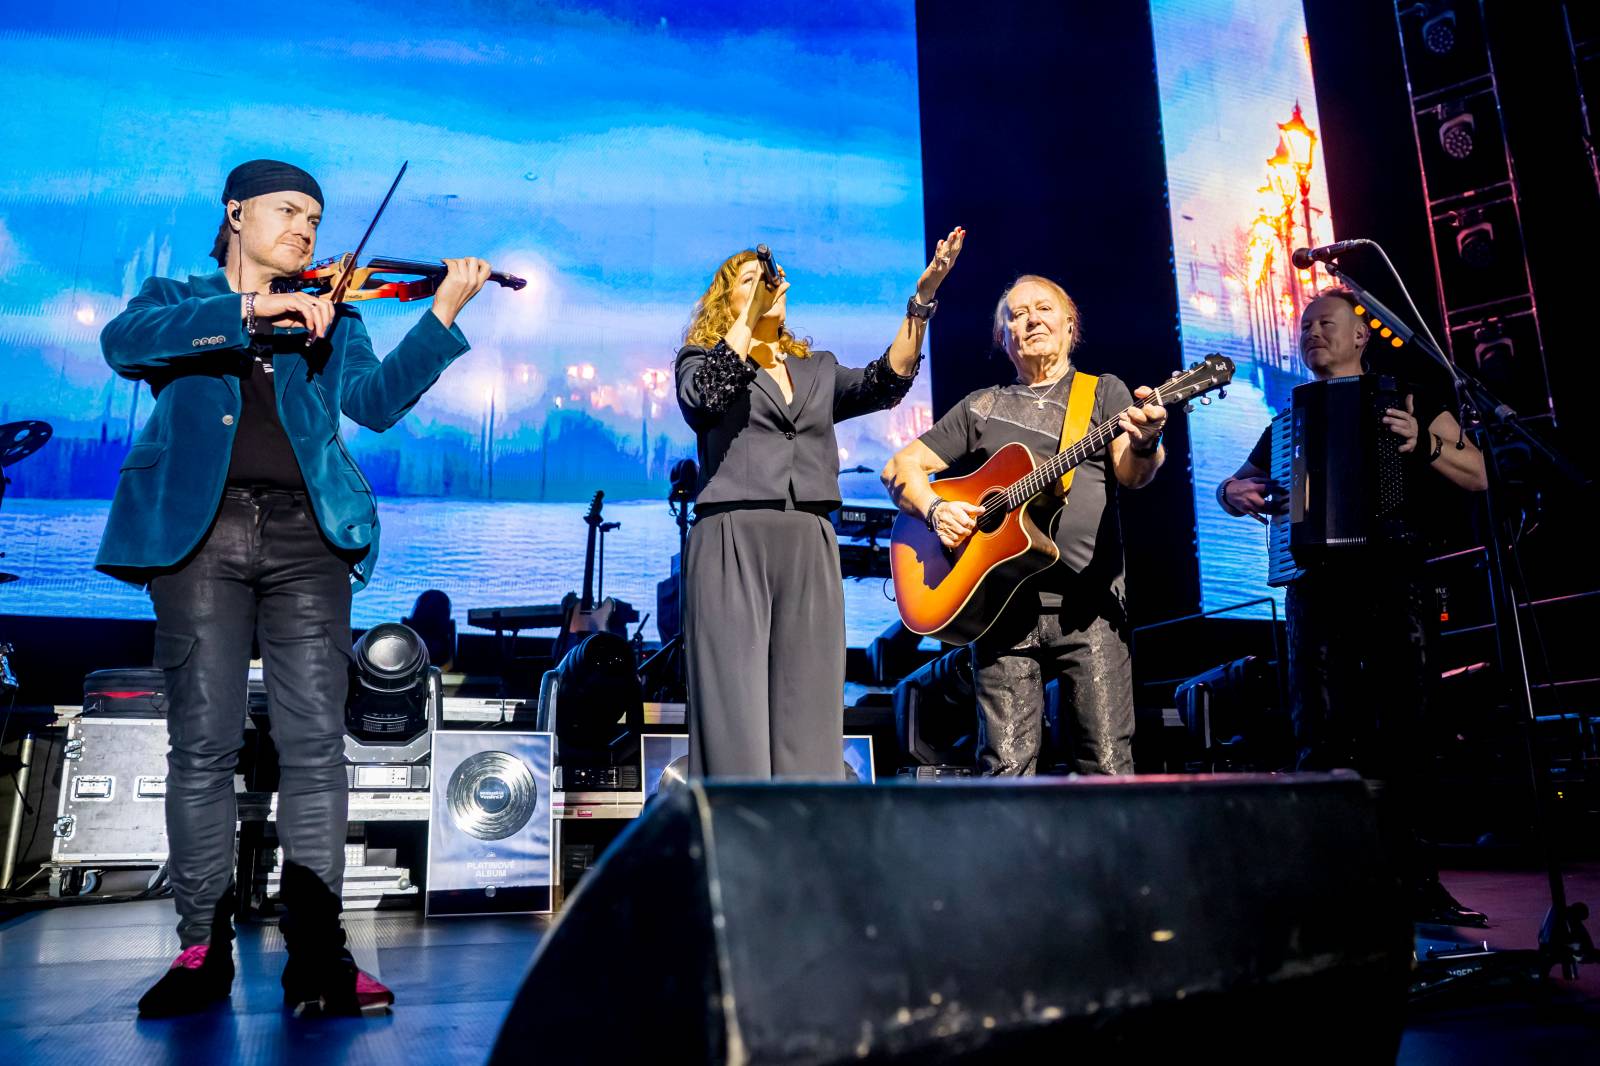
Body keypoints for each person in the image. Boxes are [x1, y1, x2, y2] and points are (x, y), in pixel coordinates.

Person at [96, 159, 493, 1017]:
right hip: (195, 536)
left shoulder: (334, 314)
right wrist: (252, 311)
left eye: (315, 218)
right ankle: (202, 950)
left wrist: (442, 315)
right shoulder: (178, 297)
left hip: (310, 540)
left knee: (316, 747)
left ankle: (319, 951)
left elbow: (376, 403)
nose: (307, 230)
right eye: (288, 212)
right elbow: (123, 345)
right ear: (235, 213)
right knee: (201, 745)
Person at [1216, 287, 1489, 925]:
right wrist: (1234, 491)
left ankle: (1417, 879)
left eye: (1326, 323)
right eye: (1306, 326)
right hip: (1317, 586)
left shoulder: (1413, 397)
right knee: (1319, 732)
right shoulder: (1288, 422)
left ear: (1362, 333)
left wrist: (1423, 443)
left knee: (1409, 731)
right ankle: (1332, 881)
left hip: (1397, 577)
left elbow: (1477, 473)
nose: (1313, 334)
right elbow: (1237, 486)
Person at [675, 228, 965, 778]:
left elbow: (887, 382)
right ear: (726, 301)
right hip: (731, 538)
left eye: (768, 278)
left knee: (808, 704)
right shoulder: (700, 359)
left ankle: (803, 840)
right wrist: (746, 321)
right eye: (748, 281)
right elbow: (706, 397)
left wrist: (922, 300)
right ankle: (739, 844)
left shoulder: (818, 369)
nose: (765, 285)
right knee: (733, 708)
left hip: (808, 538)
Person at [882, 275, 1167, 776]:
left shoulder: (1102, 393)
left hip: (1089, 607)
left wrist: (1145, 440)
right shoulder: (982, 405)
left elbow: (1132, 473)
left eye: (1043, 308)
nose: (1031, 319)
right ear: (1004, 337)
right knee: (1004, 771)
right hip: (999, 612)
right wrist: (935, 509)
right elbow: (898, 470)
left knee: (1105, 766)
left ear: (1069, 323)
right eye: (1016, 314)